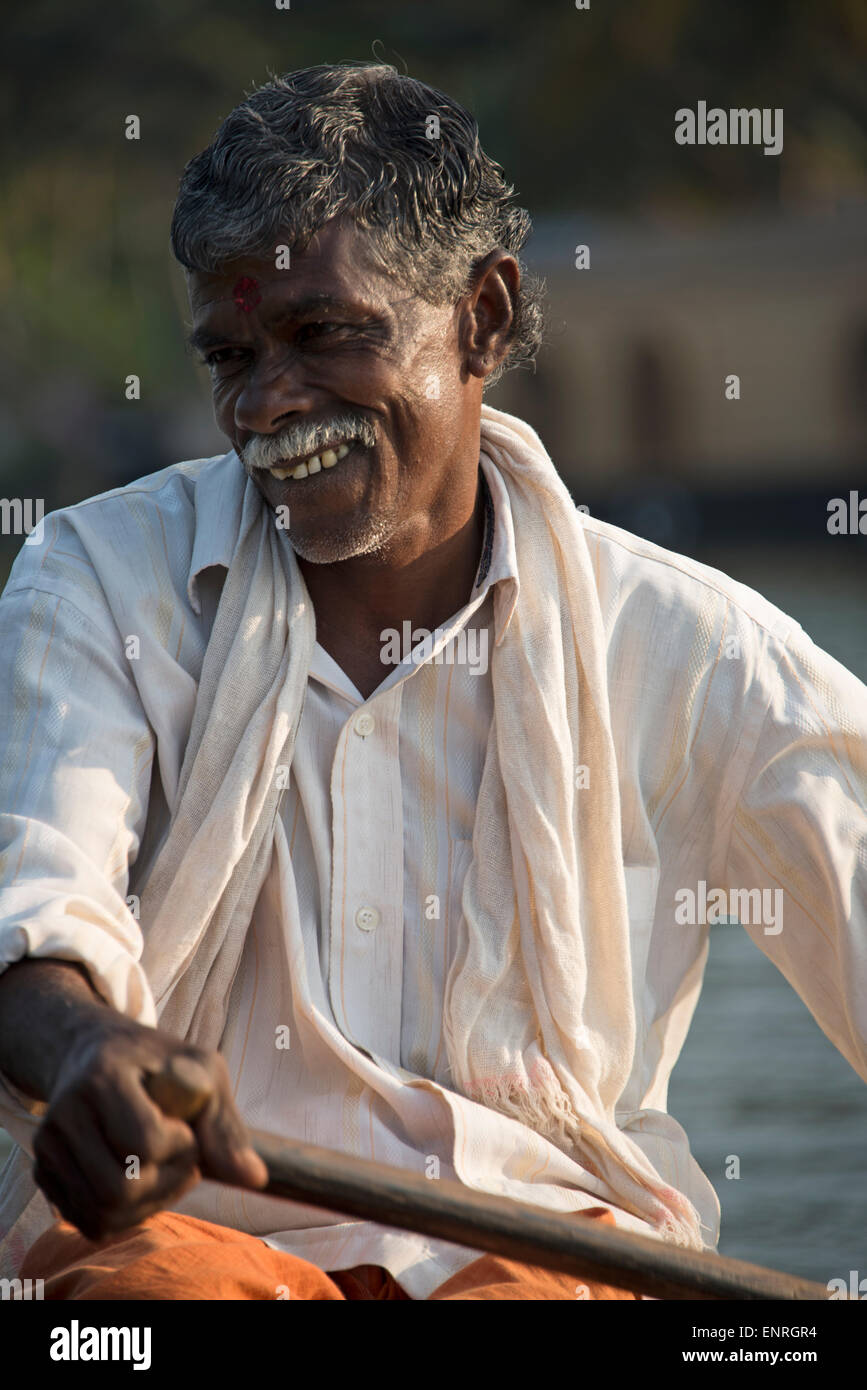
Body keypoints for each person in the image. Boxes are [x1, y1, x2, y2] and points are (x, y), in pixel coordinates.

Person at [0, 62, 864, 1302]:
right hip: (179, 1239)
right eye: (231, 356)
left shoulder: (695, 651)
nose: (269, 406)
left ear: (483, 321)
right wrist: (80, 1043)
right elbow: (36, 900)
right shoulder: (95, 582)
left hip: (555, 1251)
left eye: (324, 335)